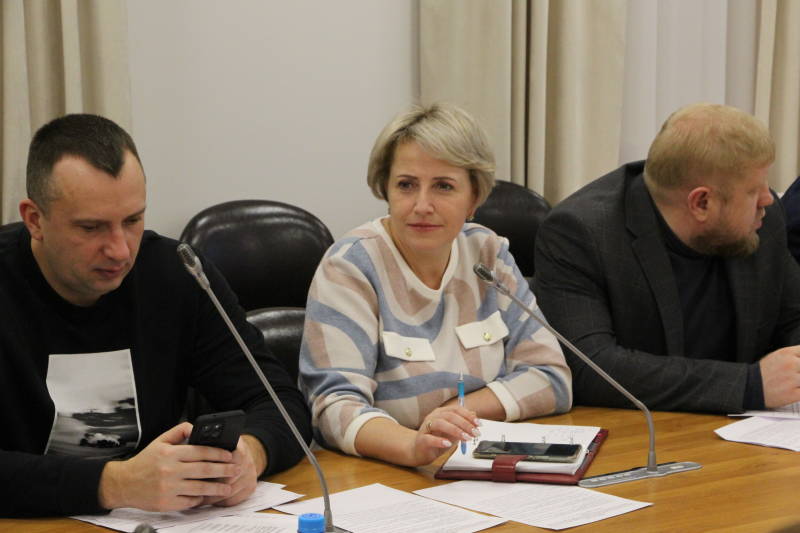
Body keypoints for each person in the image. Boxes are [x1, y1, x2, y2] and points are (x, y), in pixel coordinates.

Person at [0, 114, 311, 517]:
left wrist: (249, 454)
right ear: (35, 220)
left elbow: (279, 403)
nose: (119, 250)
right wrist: (115, 483)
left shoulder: (177, 274)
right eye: (91, 228)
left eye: (132, 220)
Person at [299, 103, 572, 467]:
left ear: (474, 198)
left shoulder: (487, 254)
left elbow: (552, 378)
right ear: (385, 190)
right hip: (384, 472)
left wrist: (454, 415)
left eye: (443, 186)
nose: (422, 205)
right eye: (406, 185)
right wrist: (413, 444)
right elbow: (332, 407)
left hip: (475, 461)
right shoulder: (350, 266)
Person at [534, 102, 800, 414]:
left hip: (752, 432)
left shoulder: (763, 220)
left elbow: (793, 318)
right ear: (701, 202)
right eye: (754, 191)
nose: (769, 199)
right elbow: (591, 367)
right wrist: (748, 385)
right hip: (640, 432)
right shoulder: (581, 233)